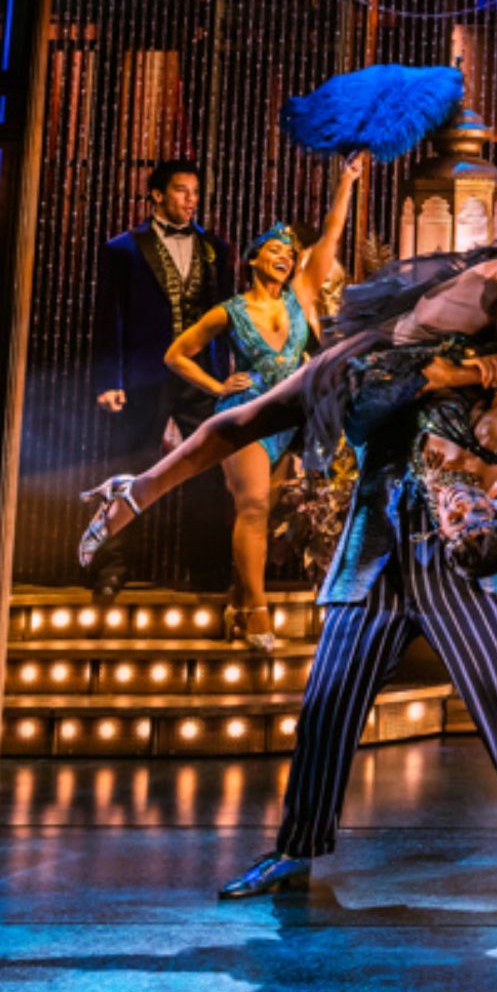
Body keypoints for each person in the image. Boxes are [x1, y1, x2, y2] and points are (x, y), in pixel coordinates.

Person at [74, 146, 497, 916]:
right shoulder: (373, 368)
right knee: (327, 709)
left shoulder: (494, 387)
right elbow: (234, 424)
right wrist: (140, 491)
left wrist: (488, 518)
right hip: (374, 560)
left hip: (457, 568)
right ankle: (294, 849)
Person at [152, 154, 366, 649]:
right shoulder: (230, 311)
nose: (285, 258)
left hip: (286, 421)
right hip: (244, 416)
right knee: (251, 506)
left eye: (290, 254)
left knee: (262, 517)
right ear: (252, 259)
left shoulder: (301, 296)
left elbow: (332, 233)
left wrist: (347, 181)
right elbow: (175, 354)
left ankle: (237, 602)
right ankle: (258, 618)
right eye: (275, 251)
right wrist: (216, 388)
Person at [87, 159, 234, 597]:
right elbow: (109, 317)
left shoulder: (214, 247)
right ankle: (111, 567)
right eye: (181, 191)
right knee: (128, 468)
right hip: (143, 375)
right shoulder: (123, 249)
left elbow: (226, 317)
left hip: (200, 375)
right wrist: (108, 379)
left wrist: (227, 373)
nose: (191, 200)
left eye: (195, 192)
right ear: (156, 195)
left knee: (207, 470)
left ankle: (208, 572)